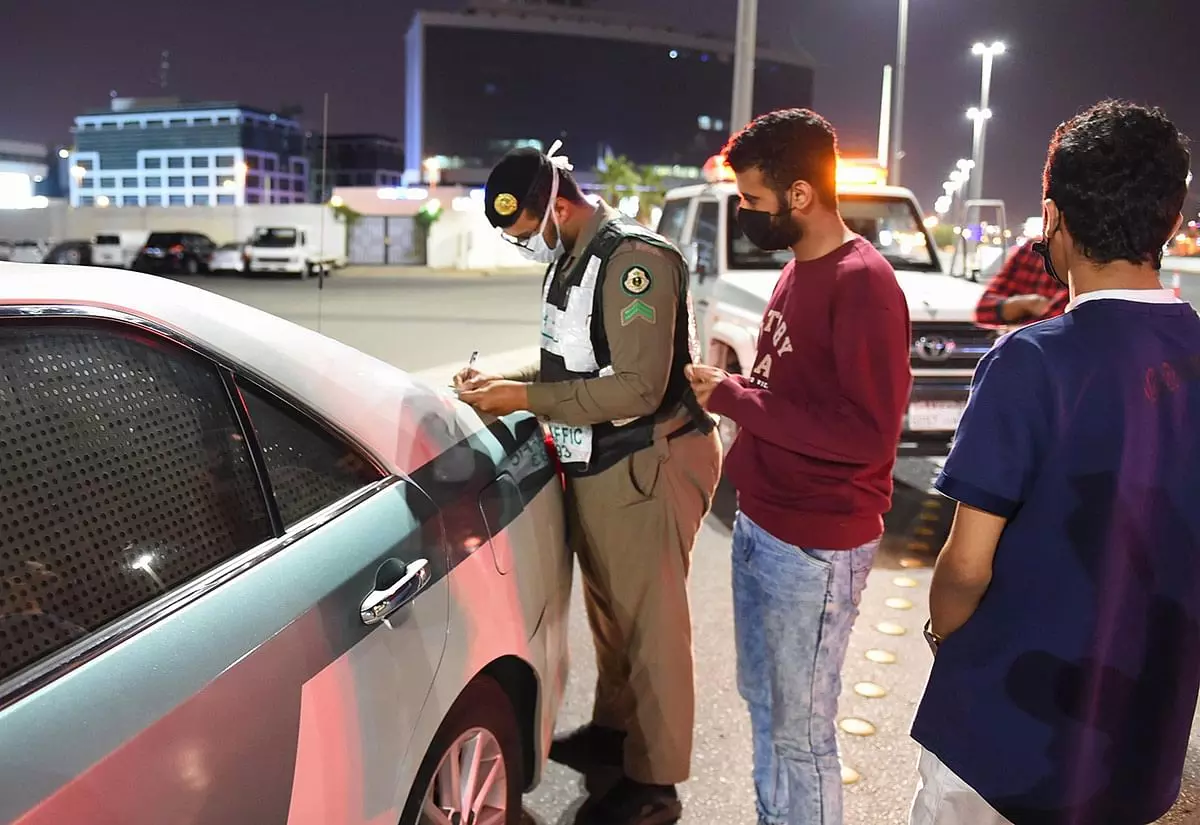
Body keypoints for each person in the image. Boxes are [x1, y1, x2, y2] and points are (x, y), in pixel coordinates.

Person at [909, 99, 1198, 825]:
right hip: (1136, 745)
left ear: (1052, 217)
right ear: (1171, 218)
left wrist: (945, 637)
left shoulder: (1032, 360)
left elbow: (966, 565)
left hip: (1002, 737)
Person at [455, 142, 722, 825]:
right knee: (613, 617)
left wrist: (522, 397)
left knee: (652, 629)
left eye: (526, 231)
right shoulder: (572, 256)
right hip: (602, 462)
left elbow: (637, 387)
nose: (526, 245)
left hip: (651, 459)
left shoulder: (634, 261)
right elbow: (569, 362)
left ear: (558, 206)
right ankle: (614, 734)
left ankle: (655, 784)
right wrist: (503, 381)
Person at [685, 109, 912, 825]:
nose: (746, 212)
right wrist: (732, 391)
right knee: (763, 704)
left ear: (801, 194)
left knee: (801, 732)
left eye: (753, 199)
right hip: (763, 523)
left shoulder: (863, 283)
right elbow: (784, 393)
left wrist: (731, 395)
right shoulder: (797, 269)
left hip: (815, 545)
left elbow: (867, 434)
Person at [974, 239, 1069, 329]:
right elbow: (983, 310)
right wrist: (1029, 303)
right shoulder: (1031, 250)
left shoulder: (1076, 262)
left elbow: (1059, 325)